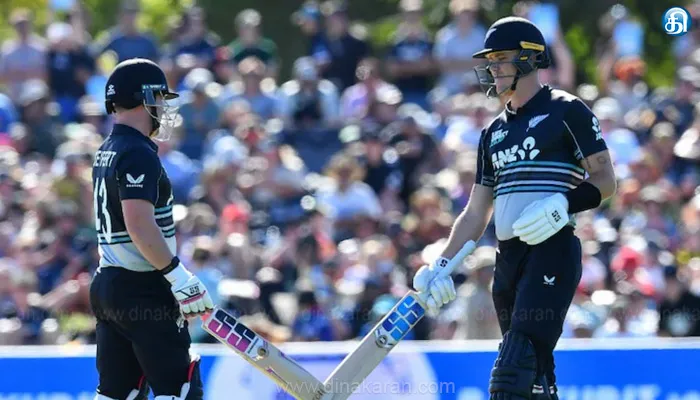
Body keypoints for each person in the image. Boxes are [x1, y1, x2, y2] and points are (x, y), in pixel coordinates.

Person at [412, 17, 617, 400]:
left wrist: (563, 204)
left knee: (514, 370)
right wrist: (442, 263)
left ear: (528, 58)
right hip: (507, 259)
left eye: (500, 58)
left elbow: (606, 180)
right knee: (534, 375)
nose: (492, 68)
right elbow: (476, 211)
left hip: (551, 251)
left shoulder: (566, 110)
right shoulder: (493, 132)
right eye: (489, 60)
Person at [90, 58, 214, 400]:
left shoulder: (107, 148)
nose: (162, 106)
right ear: (143, 96)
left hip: (108, 284)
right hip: (141, 287)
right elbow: (139, 223)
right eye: (159, 97)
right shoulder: (137, 152)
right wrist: (178, 276)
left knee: (116, 395)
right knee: (179, 391)